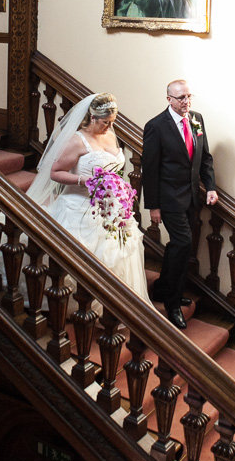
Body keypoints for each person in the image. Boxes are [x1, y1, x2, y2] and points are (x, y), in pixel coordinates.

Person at [26, 93, 148, 306]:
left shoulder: (109, 135)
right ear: (92, 118)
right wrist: (86, 181)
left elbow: (113, 169)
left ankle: (117, 307)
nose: (109, 127)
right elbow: (55, 172)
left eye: (112, 122)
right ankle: (78, 307)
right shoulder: (76, 141)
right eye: (105, 122)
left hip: (109, 208)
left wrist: (117, 188)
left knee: (118, 254)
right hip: (78, 206)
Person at [142, 80, 218, 329]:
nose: (186, 102)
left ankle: (164, 288)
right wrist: (153, 206)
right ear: (169, 100)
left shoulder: (197, 119)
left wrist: (211, 187)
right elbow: (150, 169)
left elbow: (204, 158)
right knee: (183, 243)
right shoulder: (155, 126)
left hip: (192, 197)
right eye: (181, 98)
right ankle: (172, 304)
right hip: (169, 199)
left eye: (188, 96)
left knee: (179, 245)